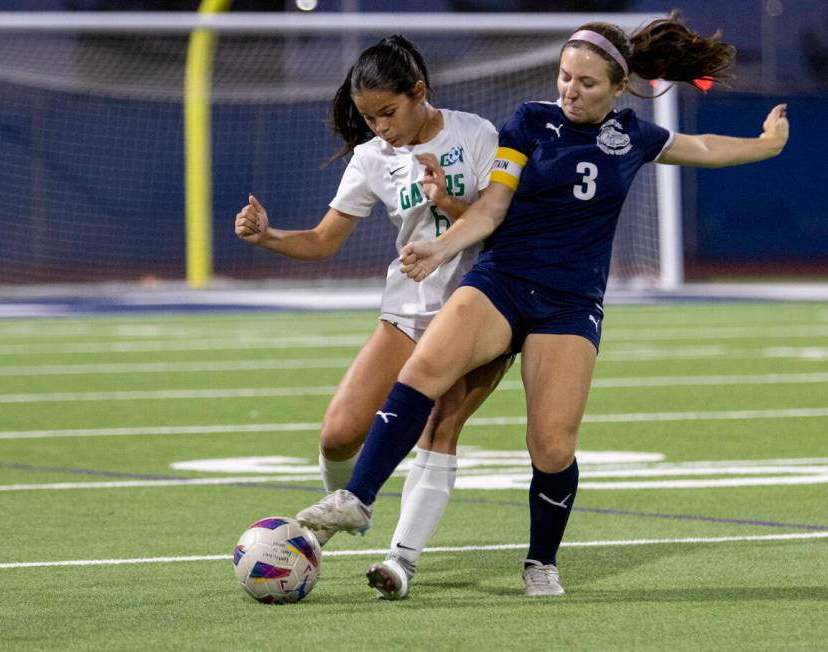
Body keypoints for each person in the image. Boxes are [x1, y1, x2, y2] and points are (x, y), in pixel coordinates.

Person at [296, 13, 789, 597]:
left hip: (569, 303)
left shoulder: (634, 137)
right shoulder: (529, 123)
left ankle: (540, 561)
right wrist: (439, 247)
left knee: (552, 445)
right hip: (504, 280)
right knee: (422, 370)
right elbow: (490, 209)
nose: (569, 90)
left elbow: (703, 145)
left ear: (618, 86)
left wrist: (765, 145)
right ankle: (357, 498)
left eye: (586, 82)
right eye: (564, 76)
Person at [235, 35, 511, 600]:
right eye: (368, 118)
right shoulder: (370, 159)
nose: (380, 127)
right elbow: (321, 241)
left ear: (419, 92)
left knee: (439, 429)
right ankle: (338, 523)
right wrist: (267, 237)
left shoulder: (476, 134)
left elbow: (501, 225)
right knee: (338, 435)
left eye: (388, 113)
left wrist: (448, 202)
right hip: (407, 312)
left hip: (479, 309)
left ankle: (400, 562)